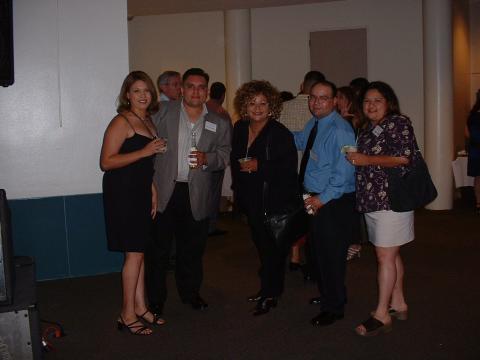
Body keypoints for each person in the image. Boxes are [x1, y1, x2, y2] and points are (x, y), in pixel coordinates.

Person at [146, 68, 231, 317]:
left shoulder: (219, 122)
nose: (196, 91)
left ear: (207, 91)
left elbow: (225, 155)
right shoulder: (161, 113)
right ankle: (155, 299)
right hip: (164, 190)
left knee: (192, 249)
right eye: (191, 86)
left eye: (201, 87)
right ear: (182, 89)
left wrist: (208, 159)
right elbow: (145, 144)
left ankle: (190, 293)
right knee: (158, 250)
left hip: (197, 193)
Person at [346, 81, 416, 336]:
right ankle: (399, 303)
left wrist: (367, 160)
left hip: (392, 200)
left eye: (377, 100)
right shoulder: (366, 128)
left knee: (384, 256)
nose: (371, 105)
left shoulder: (398, 123)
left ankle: (382, 313)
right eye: (367, 101)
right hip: (373, 201)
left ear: (388, 102)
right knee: (391, 253)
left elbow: (404, 157)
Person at [101, 71, 167, 335]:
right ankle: (126, 314)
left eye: (147, 90)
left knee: (139, 251)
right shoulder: (121, 121)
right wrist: (145, 150)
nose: (143, 95)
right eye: (137, 91)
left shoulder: (148, 121)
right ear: (127, 95)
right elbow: (106, 162)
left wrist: (151, 188)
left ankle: (141, 307)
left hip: (140, 191)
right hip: (122, 193)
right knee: (134, 253)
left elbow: (144, 164)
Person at [231, 80, 299, 316]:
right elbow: (233, 161)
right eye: (252, 103)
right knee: (262, 249)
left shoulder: (280, 134)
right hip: (250, 201)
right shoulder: (239, 128)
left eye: (263, 103)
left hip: (274, 203)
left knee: (272, 252)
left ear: (271, 107)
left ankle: (271, 294)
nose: (257, 108)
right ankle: (267, 289)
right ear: (244, 106)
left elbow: (289, 170)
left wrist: (260, 166)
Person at [293, 80, 356, 326]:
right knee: (319, 252)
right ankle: (330, 294)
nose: (316, 102)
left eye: (323, 98)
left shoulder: (341, 130)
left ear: (334, 101)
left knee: (331, 254)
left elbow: (344, 173)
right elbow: (300, 141)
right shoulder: (316, 122)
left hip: (332, 200)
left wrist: (321, 199)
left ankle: (335, 307)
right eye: (313, 97)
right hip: (314, 196)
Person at [278, 70, 325, 278]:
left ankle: (294, 256)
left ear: (301, 85)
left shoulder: (282, 108)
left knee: (291, 216)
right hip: (311, 176)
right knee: (312, 220)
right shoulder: (319, 113)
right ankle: (311, 262)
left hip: (286, 172)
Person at [336, 86, 366, 261]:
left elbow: (348, 149)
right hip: (352, 169)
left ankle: (354, 243)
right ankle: (353, 243)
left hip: (351, 169)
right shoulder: (350, 119)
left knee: (351, 209)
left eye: (340, 97)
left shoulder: (349, 121)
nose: (337, 100)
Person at [206, 82, 233, 236]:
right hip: (216, 158)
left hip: (202, 157)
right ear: (223, 95)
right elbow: (229, 137)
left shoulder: (203, 108)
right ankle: (210, 226)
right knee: (213, 193)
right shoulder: (221, 112)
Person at [466, 89, 480, 214]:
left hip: (475, 150)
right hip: (476, 149)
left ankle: (478, 203)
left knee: (477, 177)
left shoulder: (472, 115)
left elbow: (467, 134)